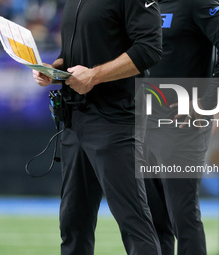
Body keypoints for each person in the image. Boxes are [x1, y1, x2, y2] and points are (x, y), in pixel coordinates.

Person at [32, 0, 163, 255]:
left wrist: (95, 75)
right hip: (74, 119)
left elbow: (150, 48)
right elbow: (79, 50)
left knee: (133, 221)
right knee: (73, 223)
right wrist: (54, 69)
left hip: (114, 120)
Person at [143, 0, 219, 254]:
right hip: (145, 120)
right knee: (154, 220)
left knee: (183, 215)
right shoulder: (144, 4)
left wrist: (207, 100)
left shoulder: (194, 2)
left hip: (181, 123)